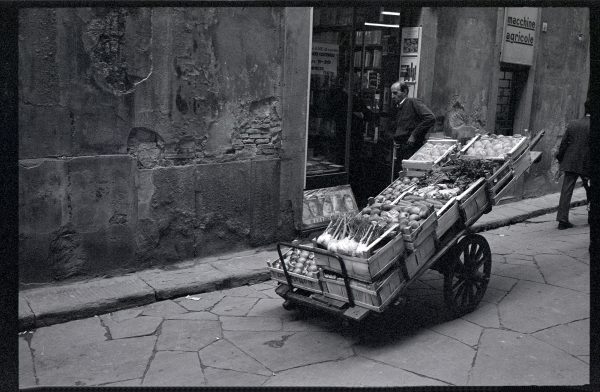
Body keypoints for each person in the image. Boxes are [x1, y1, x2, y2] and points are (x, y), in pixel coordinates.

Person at [555, 101, 591, 230]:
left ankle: (562, 220)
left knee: (566, 191)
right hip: (587, 164)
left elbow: (564, 144)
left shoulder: (573, 124)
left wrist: (560, 159)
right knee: (590, 191)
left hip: (570, 162)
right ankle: (591, 217)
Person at [388, 81, 436, 164]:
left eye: (395, 93)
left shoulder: (413, 102)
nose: (392, 96)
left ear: (405, 92)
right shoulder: (396, 108)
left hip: (412, 147)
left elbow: (430, 118)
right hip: (400, 148)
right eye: (392, 93)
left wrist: (414, 135)